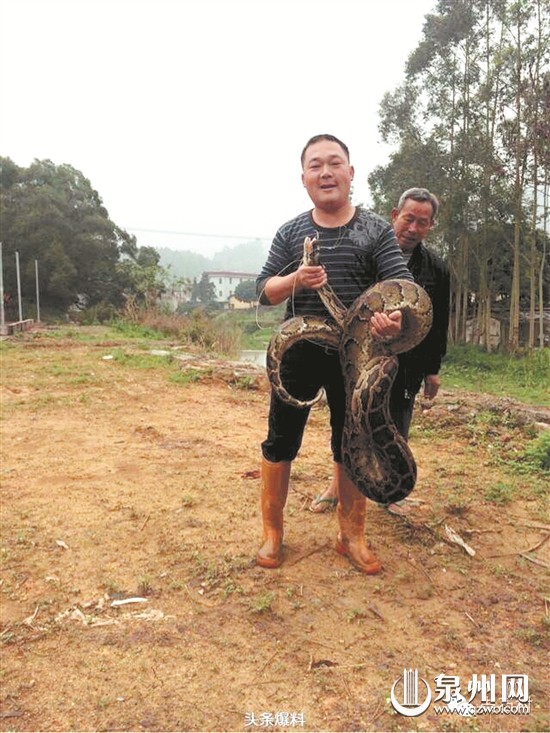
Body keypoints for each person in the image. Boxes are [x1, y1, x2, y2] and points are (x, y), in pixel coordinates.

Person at [255, 134, 415, 574]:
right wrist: (295, 281)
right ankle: (273, 534)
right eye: (315, 165)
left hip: (358, 358)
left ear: (350, 172)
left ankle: (352, 534)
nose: (325, 172)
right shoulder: (290, 233)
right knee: (280, 440)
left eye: (334, 163)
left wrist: (395, 319)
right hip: (299, 353)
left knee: (352, 441)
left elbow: (400, 286)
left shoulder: (376, 231)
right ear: (304, 179)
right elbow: (264, 291)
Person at [309, 186, 450, 514]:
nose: (414, 228)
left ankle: (391, 490)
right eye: (409, 218)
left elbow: (440, 321)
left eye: (423, 222)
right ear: (394, 216)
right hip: (363, 354)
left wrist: (433, 369)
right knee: (348, 418)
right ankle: (337, 483)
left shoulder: (437, 269)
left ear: (430, 227)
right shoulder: (367, 254)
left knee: (396, 419)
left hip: (409, 359)